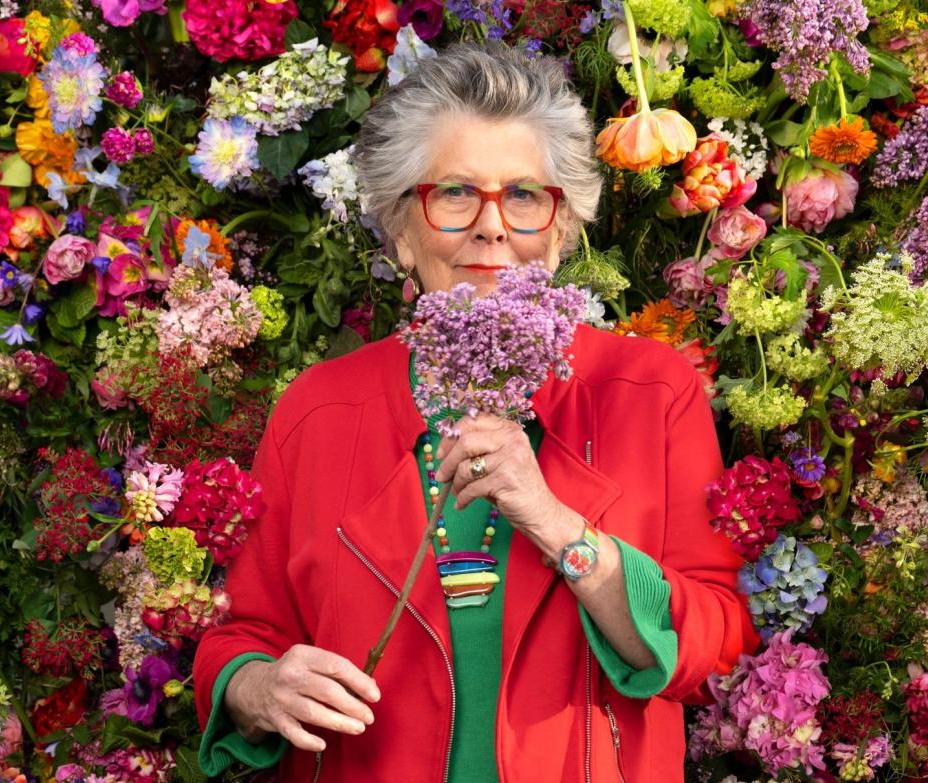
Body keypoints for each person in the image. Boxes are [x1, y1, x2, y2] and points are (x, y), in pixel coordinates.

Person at [194, 42, 757, 782]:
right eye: (456, 192)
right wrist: (255, 686)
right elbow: (244, 632)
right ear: (401, 228)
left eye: (523, 195)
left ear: (559, 232)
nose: (492, 226)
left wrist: (556, 525)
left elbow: (713, 641)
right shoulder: (319, 410)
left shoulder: (649, 392)